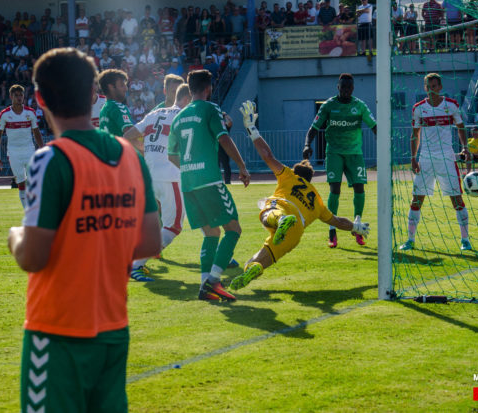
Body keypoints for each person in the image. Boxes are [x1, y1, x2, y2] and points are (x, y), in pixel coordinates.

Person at [9, 47, 161, 413]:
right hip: (112, 327)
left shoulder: (50, 158)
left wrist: (14, 235)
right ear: (94, 95)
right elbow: (150, 242)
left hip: (57, 332)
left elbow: (33, 256)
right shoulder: (129, 155)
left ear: (40, 98)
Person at [229, 101, 370, 290]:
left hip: (284, 210)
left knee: (266, 209)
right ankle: (251, 269)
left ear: (296, 172)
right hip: (296, 233)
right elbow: (337, 221)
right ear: (310, 180)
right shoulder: (317, 199)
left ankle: (280, 220)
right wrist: (355, 226)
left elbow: (268, 156)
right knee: (259, 260)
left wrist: (251, 128)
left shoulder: (289, 176)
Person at [168, 69, 251, 302]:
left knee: (211, 233)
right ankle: (214, 281)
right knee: (233, 229)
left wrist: (189, 166)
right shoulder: (211, 108)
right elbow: (223, 138)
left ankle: (205, 285)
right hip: (209, 180)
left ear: (189, 87)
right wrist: (242, 167)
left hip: (188, 183)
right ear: (208, 88)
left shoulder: (179, 117)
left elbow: (172, 154)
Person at [123, 83, 192, 282]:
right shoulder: (184, 116)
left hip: (150, 175)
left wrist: (147, 150)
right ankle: (136, 265)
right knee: (173, 226)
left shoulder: (156, 113)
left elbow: (127, 137)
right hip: (170, 176)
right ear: (187, 99)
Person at [302, 73, 377, 248]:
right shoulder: (328, 106)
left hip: (354, 153)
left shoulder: (359, 106)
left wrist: (383, 142)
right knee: (335, 189)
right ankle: (332, 230)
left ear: (352, 88)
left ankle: (357, 226)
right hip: (334, 153)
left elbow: (374, 126)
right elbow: (314, 128)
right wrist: (307, 144)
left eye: (348, 88)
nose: (345, 90)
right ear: (338, 87)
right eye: (343, 87)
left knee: (359, 187)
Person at [399, 73, 471, 251]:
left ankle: (465, 240)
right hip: (426, 159)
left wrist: (465, 147)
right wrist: (413, 157)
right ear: (425, 88)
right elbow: (415, 134)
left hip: (447, 157)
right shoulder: (418, 108)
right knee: (417, 199)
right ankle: (410, 240)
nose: (432, 90)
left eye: (435, 86)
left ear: (440, 87)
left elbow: (461, 128)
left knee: (456, 199)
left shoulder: (452, 105)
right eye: (428, 87)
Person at [0, 85, 44, 207]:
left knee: (33, 179)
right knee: (21, 182)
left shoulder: (30, 112)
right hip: (13, 152)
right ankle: (27, 211)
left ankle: (35, 208)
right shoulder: (4, 114)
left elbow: (36, 132)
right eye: (16, 95)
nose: (19, 98)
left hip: (29, 150)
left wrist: (43, 149)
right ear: (11, 97)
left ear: (24, 96)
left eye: (21, 95)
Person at [98, 69, 134, 136]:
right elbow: (130, 134)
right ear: (111, 87)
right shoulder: (118, 107)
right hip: (119, 146)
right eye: (122, 85)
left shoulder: (104, 109)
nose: (126, 89)